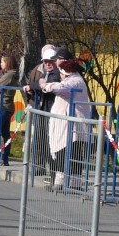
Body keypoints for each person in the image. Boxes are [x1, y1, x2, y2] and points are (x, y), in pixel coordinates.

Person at [40, 58, 91, 189]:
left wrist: (47, 86)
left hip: (70, 124)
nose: (60, 76)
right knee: (68, 152)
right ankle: (67, 182)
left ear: (65, 73)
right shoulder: (75, 79)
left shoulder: (74, 81)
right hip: (68, 123)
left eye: (61, 73)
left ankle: (67, 183)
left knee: (66, 151)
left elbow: (63, 88)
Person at [23, 46, 60, 175]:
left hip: (52, 113)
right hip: (42, 111)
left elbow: (46, 85)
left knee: (51, 144)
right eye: (45, 62)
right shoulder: (46, 73)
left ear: (56, 61)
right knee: (40, 141)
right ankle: (44, 168)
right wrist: (32, 86)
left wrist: (37, 85)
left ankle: (54, 173)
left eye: (51, 61)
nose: (48, 64)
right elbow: (36, 83)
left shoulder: (57, 74)